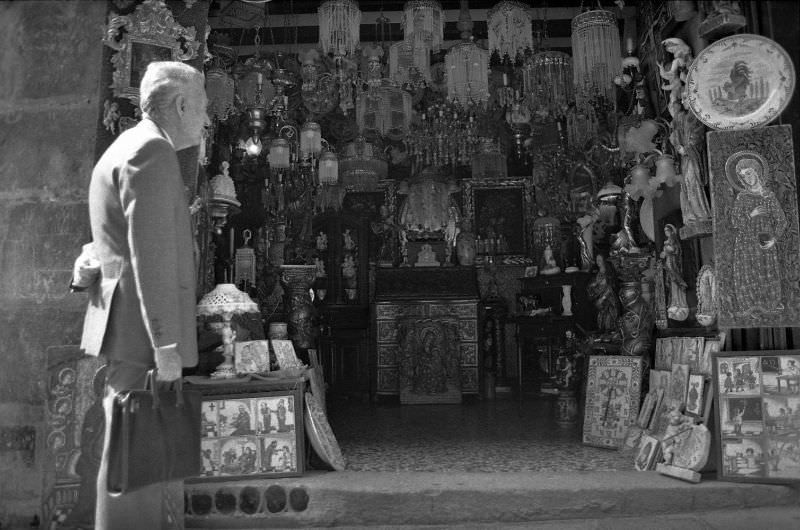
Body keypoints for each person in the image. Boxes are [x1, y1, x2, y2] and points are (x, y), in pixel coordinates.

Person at [76, 61, 208, 530]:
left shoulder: (120, 149)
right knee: (140, 459)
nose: (207, 119)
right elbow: (148, 259)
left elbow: (106, 247)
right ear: (181, 104)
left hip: (126, 330)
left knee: (130, 451)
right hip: (144, 334)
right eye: (204, 106)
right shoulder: (152, 151)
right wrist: (166, 344)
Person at [729, 155, 788, 316]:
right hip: (746, 243)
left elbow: (781, 221)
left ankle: (769, 305)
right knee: (749, 273)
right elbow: (735, 221)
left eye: (748, 173)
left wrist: (774, 239)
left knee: (766, 271)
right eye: (743, 176)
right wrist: (751, 215)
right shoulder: (742, 197)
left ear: (756, 171)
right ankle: (751, 307)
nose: (747, 178)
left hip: (764, 241)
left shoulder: (769, 196)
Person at [660, 224, 689, 321]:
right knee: (672, 284)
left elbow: (675, 250)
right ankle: (674, 302)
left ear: (672, 231)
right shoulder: (667, 241)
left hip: (674, 264)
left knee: (676, 281)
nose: (666, 232)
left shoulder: (673, 240)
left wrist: (667, 250)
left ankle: (680, 303)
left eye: (667, 230)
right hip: (668, 263)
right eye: (664, 230)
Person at [586, 255, 620, 332]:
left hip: (609, 300)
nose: (598, 262)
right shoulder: (597, 274)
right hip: (599, 302)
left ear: (604, 261)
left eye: (600, 260)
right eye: (597, 260)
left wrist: (602, 298)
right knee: (600, 318)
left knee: (608, 318)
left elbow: (610, 287)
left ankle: (610, 331)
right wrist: (594, 284)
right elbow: (592, 286)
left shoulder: (609, 274)